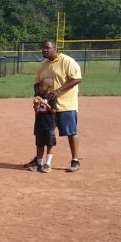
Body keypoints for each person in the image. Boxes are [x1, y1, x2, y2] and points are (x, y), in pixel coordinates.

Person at [27, 40, 82, 172]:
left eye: (47, 48)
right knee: (43, 132)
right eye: (43, 48)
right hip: (46, 106)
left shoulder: (67, 61)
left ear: (55, 48)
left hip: (66, 104)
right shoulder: (43, 65)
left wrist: (58, 91)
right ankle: (38, 160)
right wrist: (38, 97)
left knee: (70, 132)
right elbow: (36, 83)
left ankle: (75, 160)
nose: (44, 50)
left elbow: (77, 78)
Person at [27, 77, 58, 173]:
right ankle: (39, 163)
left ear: (48, 88)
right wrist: (36, 105)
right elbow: (37, 110)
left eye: (41, 85)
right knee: (39, 144)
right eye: (39, 85)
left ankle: (48, 164)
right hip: (39, 124)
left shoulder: (51, 97)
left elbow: (53, 110)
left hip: (49, 125)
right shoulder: (38, 96)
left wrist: (44, 102)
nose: (39, 87)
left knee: (49, 144)